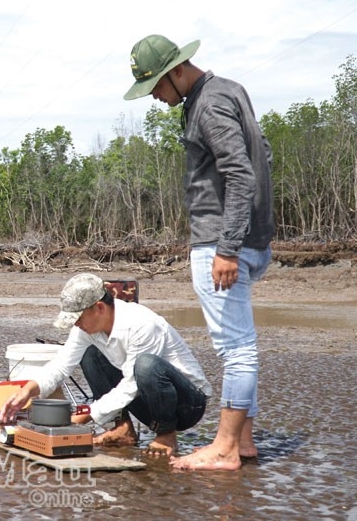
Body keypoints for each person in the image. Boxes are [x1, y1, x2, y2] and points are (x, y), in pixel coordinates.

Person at [124, 34, 275, 470]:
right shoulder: (229, 90)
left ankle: (225, 448)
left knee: (237, 349)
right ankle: (242, 442)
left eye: (154, 86)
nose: (154, 97)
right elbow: (261, 152)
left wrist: (228, 247)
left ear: (176, 71)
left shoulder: (208, 104)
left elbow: (241, 172)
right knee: (239, 345)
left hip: (222, 242)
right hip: (246, 239)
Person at [0, 273, 212, 457]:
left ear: (99, 307)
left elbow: (131, 385)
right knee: (90, 354)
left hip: (187, 404)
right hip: (147, 399)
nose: (76, 324)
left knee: (145, 365)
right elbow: (61, 365)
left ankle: (166, 435)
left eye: (78, 318)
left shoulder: (142, 324)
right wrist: (28, 389)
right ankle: (122, 429)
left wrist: (85, 415)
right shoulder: (85, 329)